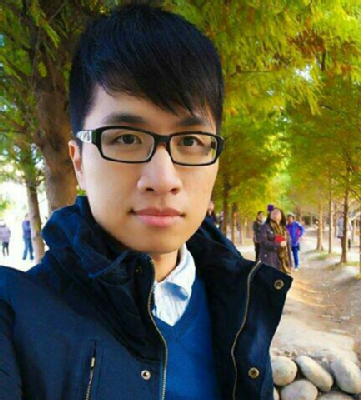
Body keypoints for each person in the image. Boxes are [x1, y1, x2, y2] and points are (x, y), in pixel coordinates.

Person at [0, 5, 292, 400]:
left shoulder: (240, 304)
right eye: (126, 138)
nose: (163, 180)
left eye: (190, 141)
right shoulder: (14, 315)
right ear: (78, 161)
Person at [259, 208, 292, 275]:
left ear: (281, 216)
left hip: (283, 260)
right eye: (273, 212)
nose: (275, 213)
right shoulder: (265, 227)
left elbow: (288, 247)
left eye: (277, 212)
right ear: (270, 215)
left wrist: (289, 262)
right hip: (269, 259)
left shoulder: (284, 229)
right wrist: (279, 244)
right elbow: (263, 242)